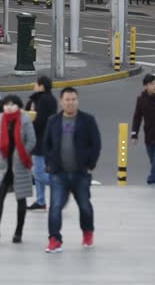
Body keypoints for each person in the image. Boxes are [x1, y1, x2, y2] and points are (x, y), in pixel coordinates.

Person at [43, 87, 101, 253]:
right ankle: (54, 239)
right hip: (58, 173)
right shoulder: (53, 121)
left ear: (77, 100)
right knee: (55, 207)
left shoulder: (87, 120)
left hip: (80, 173)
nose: (70, 102)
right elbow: (46, 144)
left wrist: (91, 164)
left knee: (84, 206)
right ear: (61, 101)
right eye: (67, 99)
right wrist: (49, 163)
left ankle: (87, 232)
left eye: (73, 99)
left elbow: (96, 144)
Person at [0, 95, 36, 245]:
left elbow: (32, 140)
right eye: (7, 104)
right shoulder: (0, 119)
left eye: (13, 104)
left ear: (19, 106)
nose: (9, 107)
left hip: (20, 166)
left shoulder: (25, 119)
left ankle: (18, 233)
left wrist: (22, 154)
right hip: (3, 165)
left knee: (21, 199)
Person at [25, 76, 58, 210]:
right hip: (45, 139)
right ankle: (40, 200)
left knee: (38, 172)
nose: (34, 85)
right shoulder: (47, 99)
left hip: (41, 139)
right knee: (39, 170)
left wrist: (30, 116)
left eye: (36, 84)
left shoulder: (43, 100)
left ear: (41, 86)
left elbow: (40, 121)